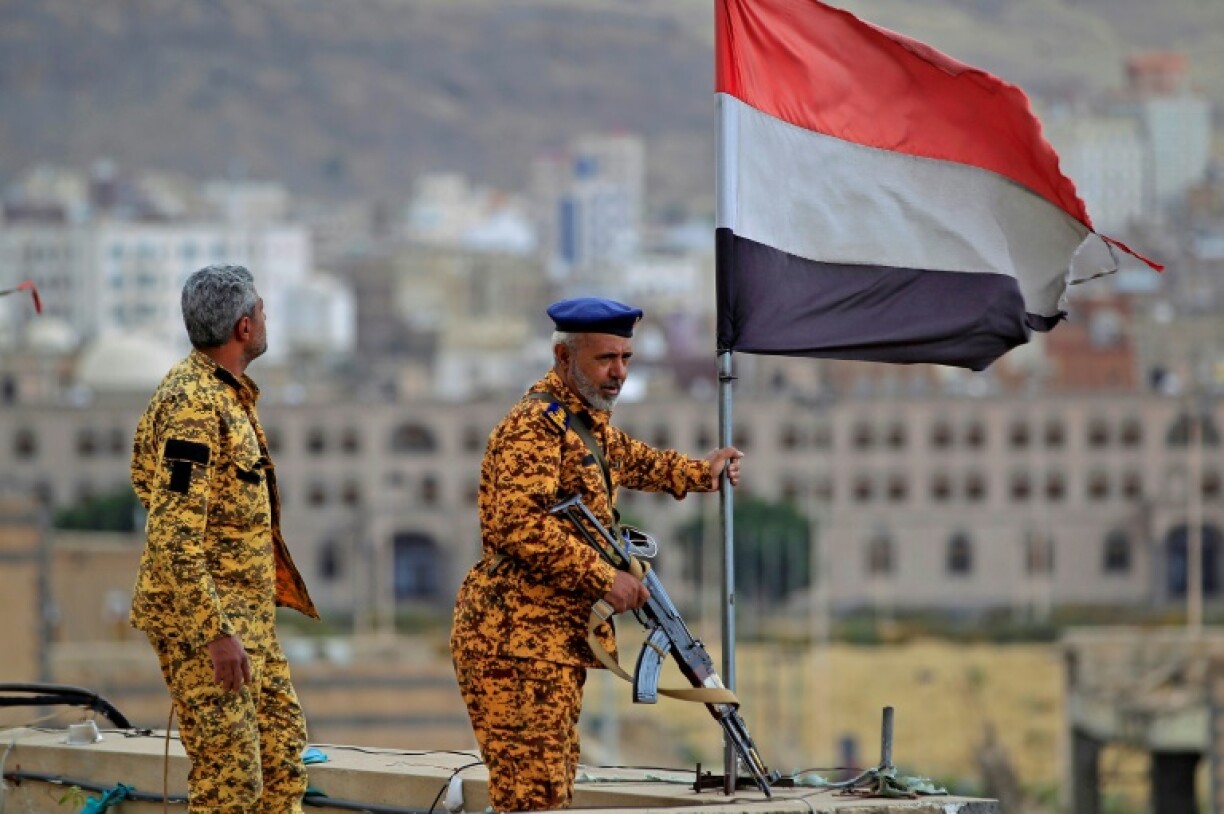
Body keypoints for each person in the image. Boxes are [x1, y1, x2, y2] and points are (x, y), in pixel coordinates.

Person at [451, 296, 743, 812]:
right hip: (515, 645)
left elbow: (637, 462)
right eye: (605, 359)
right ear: (565, 359)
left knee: (551, 794)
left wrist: (704, 472)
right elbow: (519, 523)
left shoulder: (583, 422)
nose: (618, 373)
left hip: (551, 643)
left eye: (625, 358)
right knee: (532, 800)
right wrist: (604, 578)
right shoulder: (535, 425)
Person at [130, 263, 319, 813]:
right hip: (204, 624)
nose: (265, 318)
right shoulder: (193, 403)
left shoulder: (225, 393)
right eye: (260, 310)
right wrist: (215, 634)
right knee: (231, 779)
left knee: (283, 762)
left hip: (248, 619)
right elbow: (171, 531)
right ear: (243, 327)